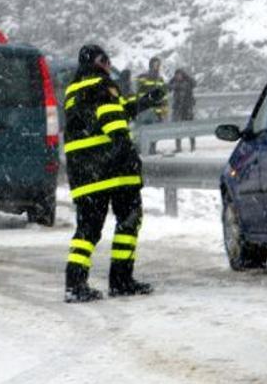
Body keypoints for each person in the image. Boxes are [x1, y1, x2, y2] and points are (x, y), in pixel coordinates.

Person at [62, 44, 165, 303]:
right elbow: (112, 117)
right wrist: (126, 153)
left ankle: (75, 283)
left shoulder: (76, 89)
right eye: (105, 59)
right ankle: (120, 280)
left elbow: (113, 108)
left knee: (87, 230)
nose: (109, 64)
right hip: (112, 170)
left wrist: (144, 102)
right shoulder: (102, 85)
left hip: (84, 175)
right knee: (129, 221)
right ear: (99, 62)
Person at [135, 56, 168, 154]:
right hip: (146, 110)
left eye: (158, 64)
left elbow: (163, 95)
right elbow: (139, 93)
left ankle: (152, 148)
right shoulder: (143, 77)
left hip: (157, 110)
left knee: (156, 130)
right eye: (155, 64)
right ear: (151, 65)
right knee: (145, 129)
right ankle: (145, 148)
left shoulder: (160, 79)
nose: (157, 66)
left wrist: (164, 108)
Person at [168, 68, 197, 152]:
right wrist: (173, 80)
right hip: (178, 108)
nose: (178, 77)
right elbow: (168, 87)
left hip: (187, 108)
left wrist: (186, 77)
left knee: (190, 128)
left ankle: (192, 146)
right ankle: (178, 147)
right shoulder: (175, 83)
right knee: (177, 128)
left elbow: (194, 83)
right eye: (176, 75)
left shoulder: (187, 83)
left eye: (180, 75)